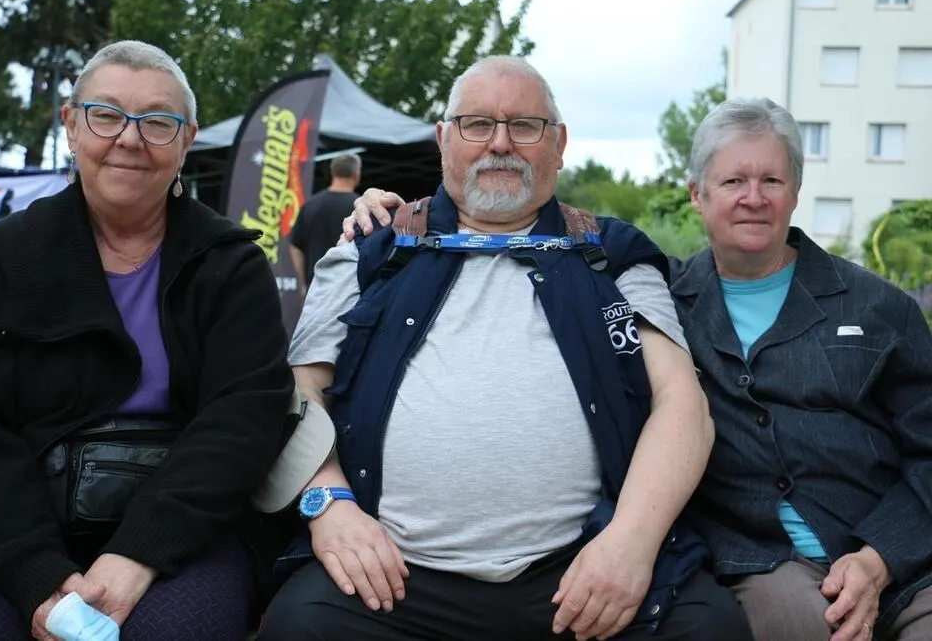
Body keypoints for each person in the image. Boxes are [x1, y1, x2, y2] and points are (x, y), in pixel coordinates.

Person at [343, 97, 932, 641]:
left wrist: (879, 556)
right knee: (805, 626)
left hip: (897, 551)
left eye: (771, 181)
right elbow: (547, 238)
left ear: (795, 192)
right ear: (697, 194)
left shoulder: (879, 309)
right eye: (733, 181)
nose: (753, 197)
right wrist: (390, 211)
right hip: (763, 561)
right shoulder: (661, 299)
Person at [257, 56, 753, 641]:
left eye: (524, 126)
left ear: (559, 144)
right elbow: (299, 391)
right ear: (443, 139)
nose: (500, 144)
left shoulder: (614, 255)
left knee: (711, 629)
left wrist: (631, 543)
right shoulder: (370, 249)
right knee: (297, 627)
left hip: (583, 566)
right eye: (476, 124)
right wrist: (329, 504)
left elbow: (683, 405)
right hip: (393, 571)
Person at [0, 40, 304, 641]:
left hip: (185, 518)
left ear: (187, 141)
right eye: (107, 115)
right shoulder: (6, 254)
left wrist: (139, 552)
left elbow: (241, 422)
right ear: (71, 125)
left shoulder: (231, 265)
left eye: (158, 122)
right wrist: (35, 570)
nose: (129, 138)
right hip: (11, 518)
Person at [290, 153, 362, 297]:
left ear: (332, 173)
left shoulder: (310, 205)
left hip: (315, 288)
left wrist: (303, 283)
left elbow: (295, 247)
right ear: (356, 175)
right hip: (349, 291)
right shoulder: (360, 208)